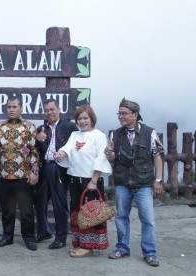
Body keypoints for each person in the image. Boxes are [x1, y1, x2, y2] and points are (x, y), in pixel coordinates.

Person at [104, 98, 164, 267]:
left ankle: (150, 253)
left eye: (124, 113)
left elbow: (157, 157)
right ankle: (122, 249)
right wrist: (108, 153)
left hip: (144, 184)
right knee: (121, 218)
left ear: (135, 115)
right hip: (123, 183)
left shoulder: (150, 133)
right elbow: (112, 159)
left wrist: (158, 180)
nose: (120, 117)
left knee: (148, 220)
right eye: (119, 113)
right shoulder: (114, 134)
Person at [53, 105, 112, 257]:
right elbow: (67, 148)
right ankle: (79, 243)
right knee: (76, 212)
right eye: (79, 118)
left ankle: (88, 247)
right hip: (75, 179)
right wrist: (60, 153)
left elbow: (101, 157)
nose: (82, 121)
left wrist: (94, 179)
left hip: (91, 181)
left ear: (92, 119)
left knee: (89, 213)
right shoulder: (75, 135)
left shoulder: (99, 136)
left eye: (85, 118)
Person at [0, 95, 39, 251]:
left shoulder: (29, 127)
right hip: (4, 175)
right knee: (7, 209)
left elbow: (34, 151)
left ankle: (29, 238)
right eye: (9, 107)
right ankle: (7, 237)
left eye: (14, 107)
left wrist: (35, 171)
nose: (11, 109)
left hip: (23, 176)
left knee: (26, 210)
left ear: (21, 108)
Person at [35, 99, 77, 249]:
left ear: (59, 110)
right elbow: (38, 152)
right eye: (46, 110)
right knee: (40, 202)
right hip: (44, 167)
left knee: (59, 203)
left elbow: (75, 148)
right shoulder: (41, 128)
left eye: (52, 109)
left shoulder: (69, 126)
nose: (49, 113)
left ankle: (61, 238)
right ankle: (43, 231)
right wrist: (38, 140)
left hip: (60, 168)